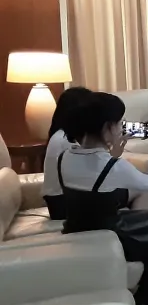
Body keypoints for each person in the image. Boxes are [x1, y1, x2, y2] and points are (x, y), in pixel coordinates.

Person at [58, 92, 148, 305]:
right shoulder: (112, 166)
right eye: (119, 123)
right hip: (109, 229)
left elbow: (94, 174)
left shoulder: (66, 156)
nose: (122, 127)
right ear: (107, 127)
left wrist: (113, 154)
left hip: (77, 226)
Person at [42, 86, 93, 219]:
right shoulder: (66, 140)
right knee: (139, 190)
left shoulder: (61, 135)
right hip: (63, 203)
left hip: (60, 200)